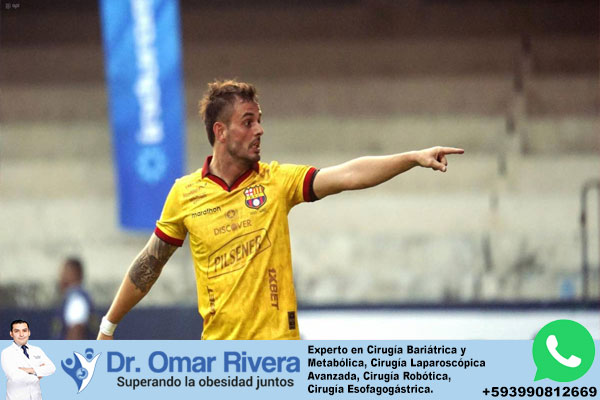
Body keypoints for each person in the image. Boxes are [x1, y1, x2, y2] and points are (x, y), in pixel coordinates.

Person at [97, 79, 464, 340]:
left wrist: (412, 157)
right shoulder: (185, 194)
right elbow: (150, 263)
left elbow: (348, 175)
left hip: (279, 360)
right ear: (221, 132)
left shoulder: (276, 182)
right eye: (248, 122)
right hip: (220, 363)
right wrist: (108, 325)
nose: (259, 130)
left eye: (260, 120)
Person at [1, 320, 56, 400]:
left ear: (29, 332)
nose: (21, 334)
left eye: (24, 330)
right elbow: (15, 377)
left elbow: (52, 368)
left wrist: (30, 370)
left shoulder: (37, 350)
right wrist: (38, 373)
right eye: (17, 331)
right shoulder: (7, 352)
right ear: (11, 334)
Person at [55, 257, 95, 339]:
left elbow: (76, 331)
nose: (61, 278)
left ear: (75, 274)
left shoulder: (76, 299)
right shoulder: (73, 297)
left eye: (65, 273)